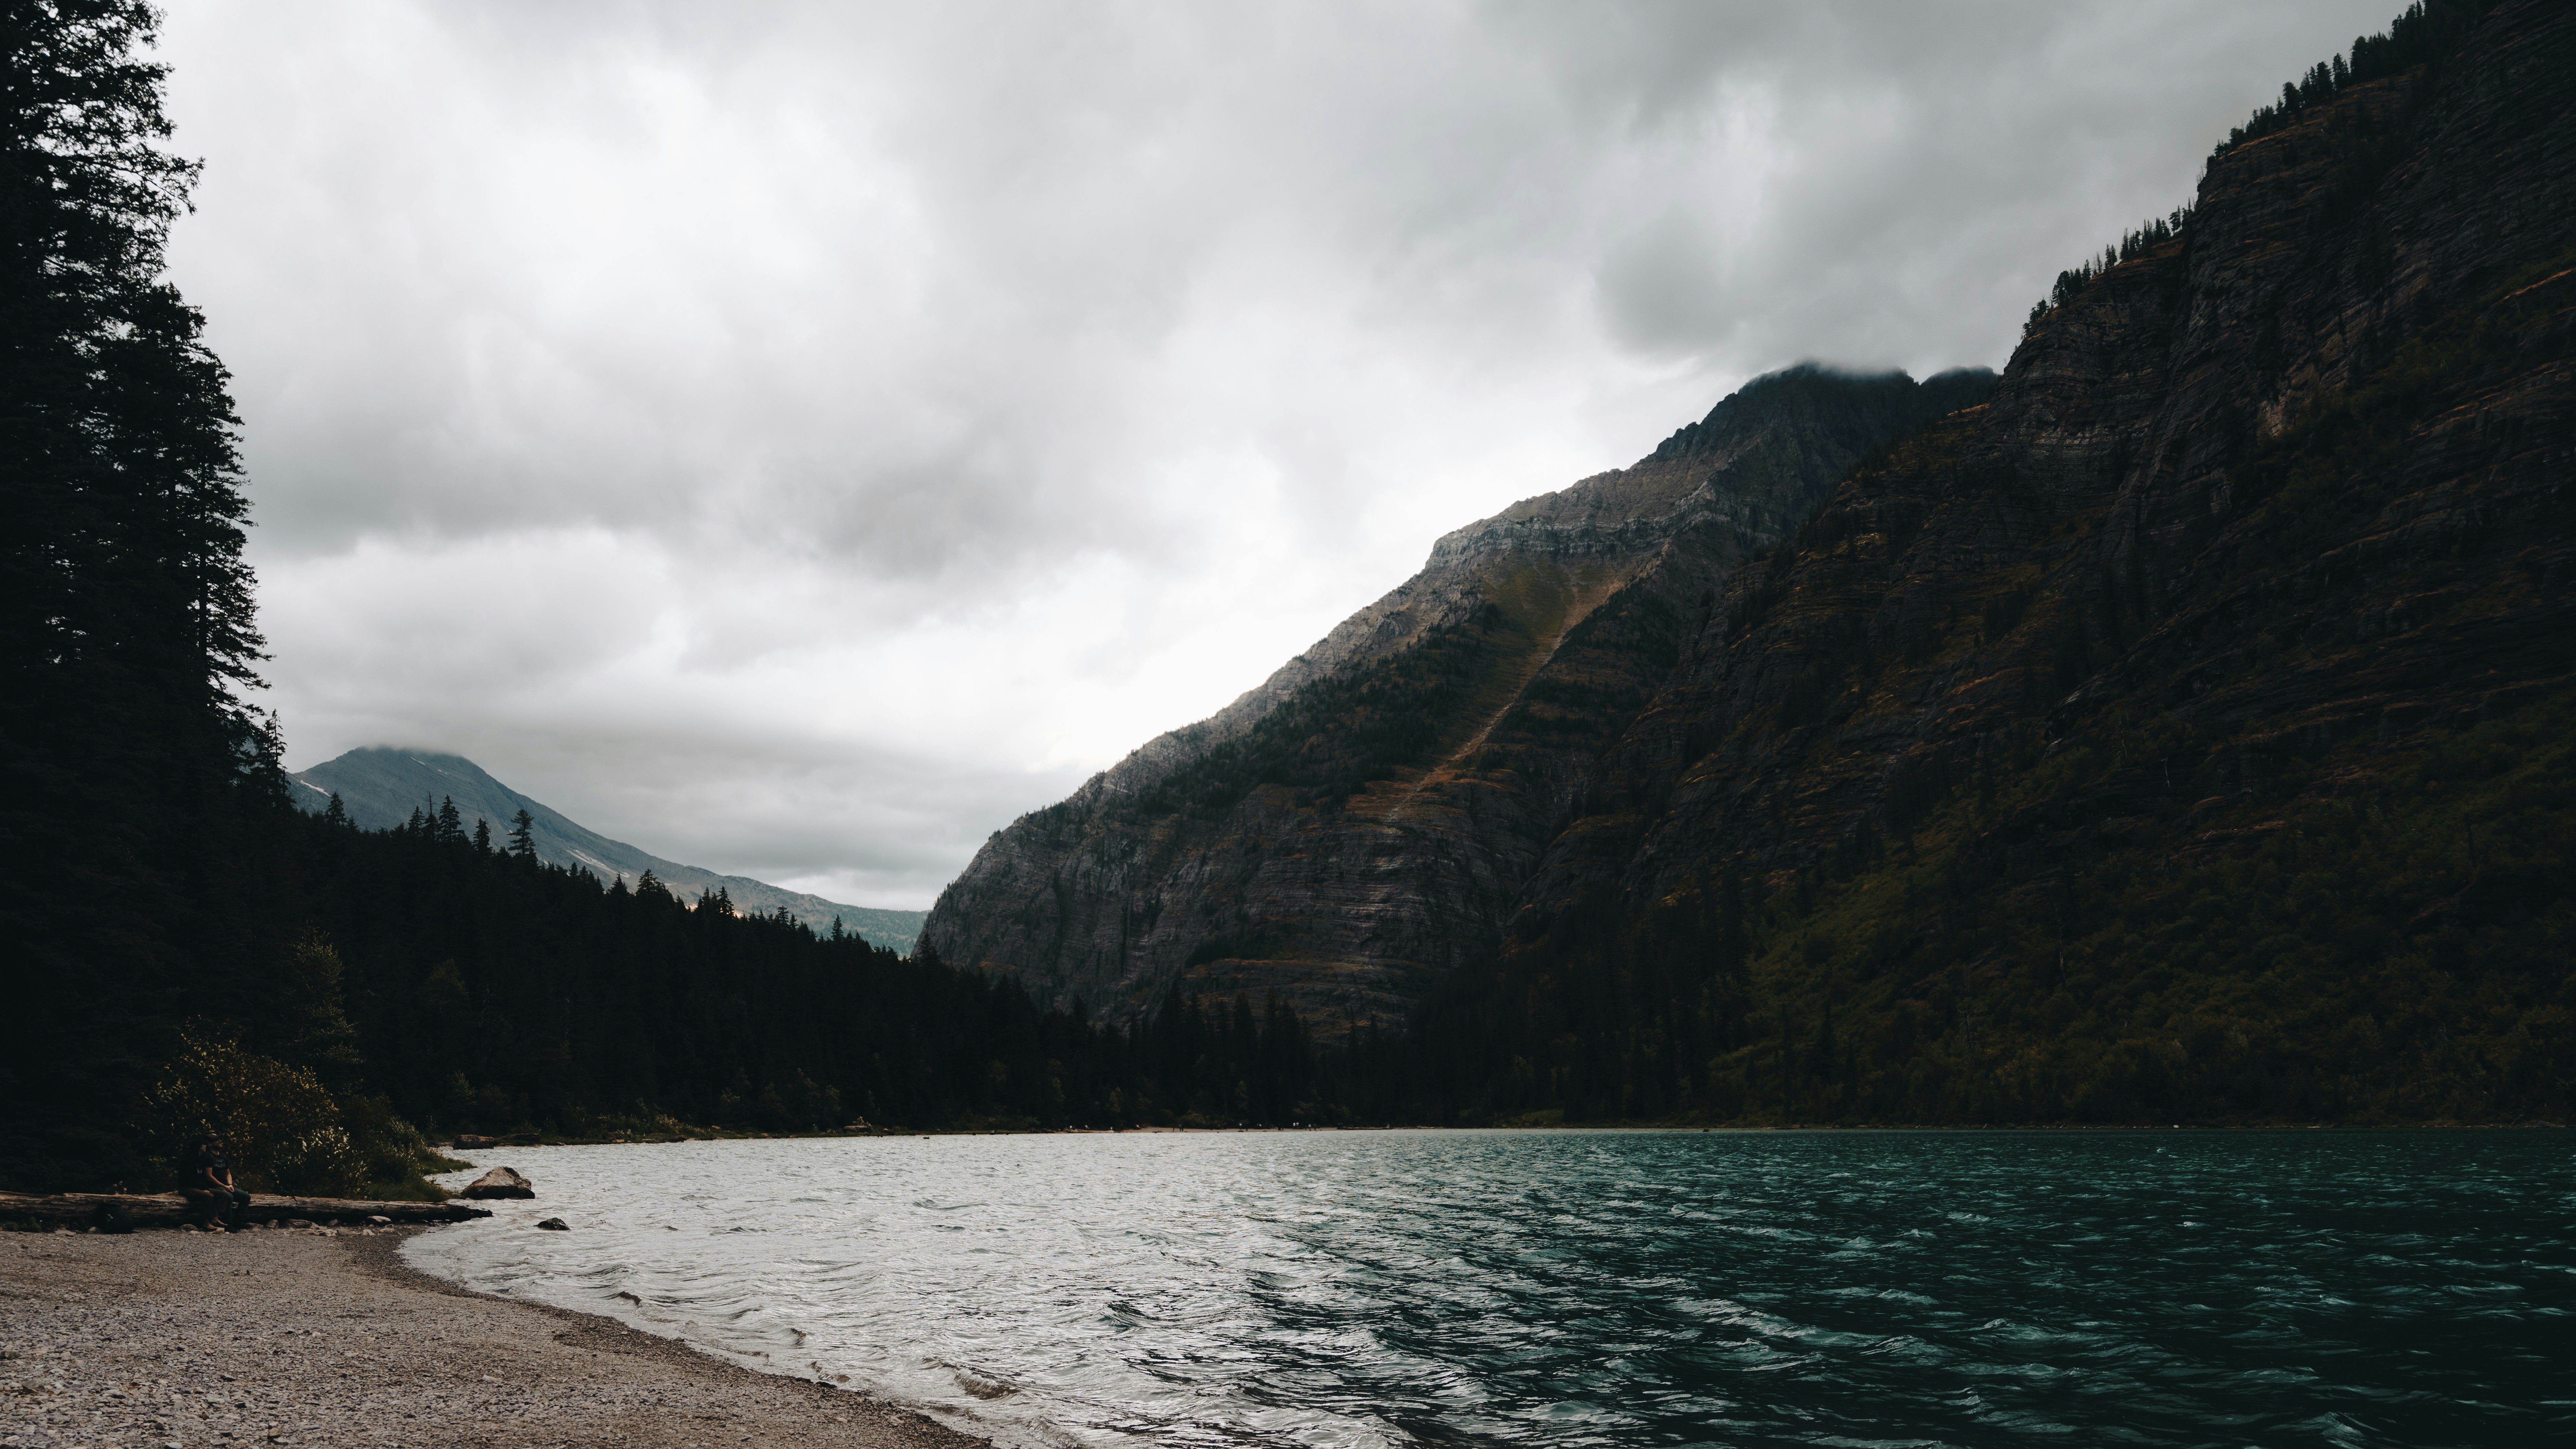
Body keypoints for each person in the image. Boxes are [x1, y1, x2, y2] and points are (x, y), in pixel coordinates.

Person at [189, 1136, 250, 1231]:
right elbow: (209, 1177)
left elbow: (228, 1173)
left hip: (226, 1186)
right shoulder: (207, 1157)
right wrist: (224, 1186)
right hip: (215, 1186)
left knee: (246, 1197)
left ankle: (238, 1221)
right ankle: (227, 1223)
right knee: (229, 1196)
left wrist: (230, 1184)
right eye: (217, 1141)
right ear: (210, 1144)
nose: (220, 1141)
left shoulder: (223, 1157)